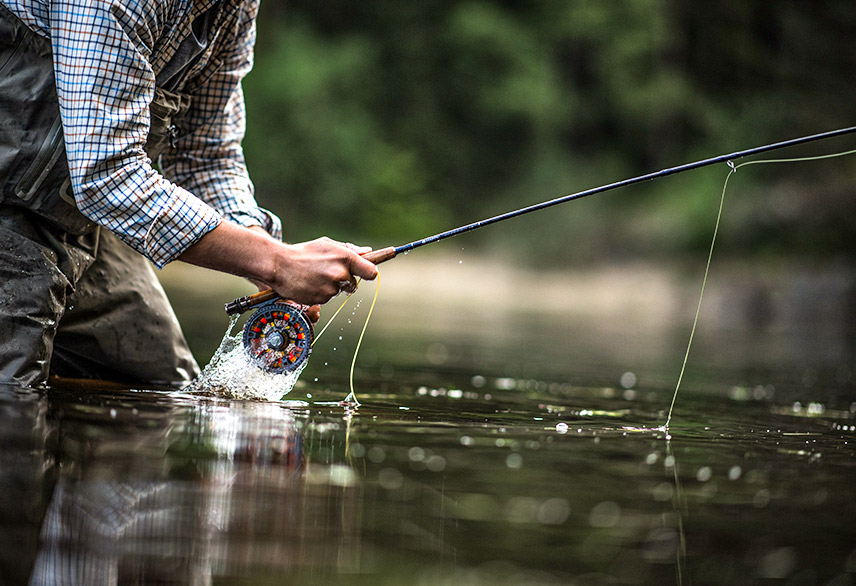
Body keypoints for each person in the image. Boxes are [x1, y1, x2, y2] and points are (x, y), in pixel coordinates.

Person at [0, 0, 378, 387]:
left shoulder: (236, 7)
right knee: (13, 398)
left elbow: (205, 155)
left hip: (80, 212)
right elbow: (106, 177)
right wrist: (275, 264)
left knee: (166, 387)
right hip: (14, 204)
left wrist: (272, 260)